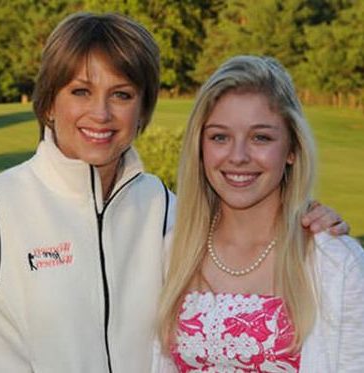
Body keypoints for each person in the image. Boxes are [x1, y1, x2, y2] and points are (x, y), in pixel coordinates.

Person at [0, 13, 348, 373]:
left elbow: (245, 237)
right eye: (80, 91)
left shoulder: (164, 208)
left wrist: (307, 216)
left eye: (121, 94)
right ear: (49, 102)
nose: (101, 114)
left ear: (143, 111)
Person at [155, 55, 364, 372]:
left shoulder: (335, 262)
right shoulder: (172, 252)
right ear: (200, 148)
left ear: (292, 149)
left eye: (260, 138)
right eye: (220, 137)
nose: (238, 156)